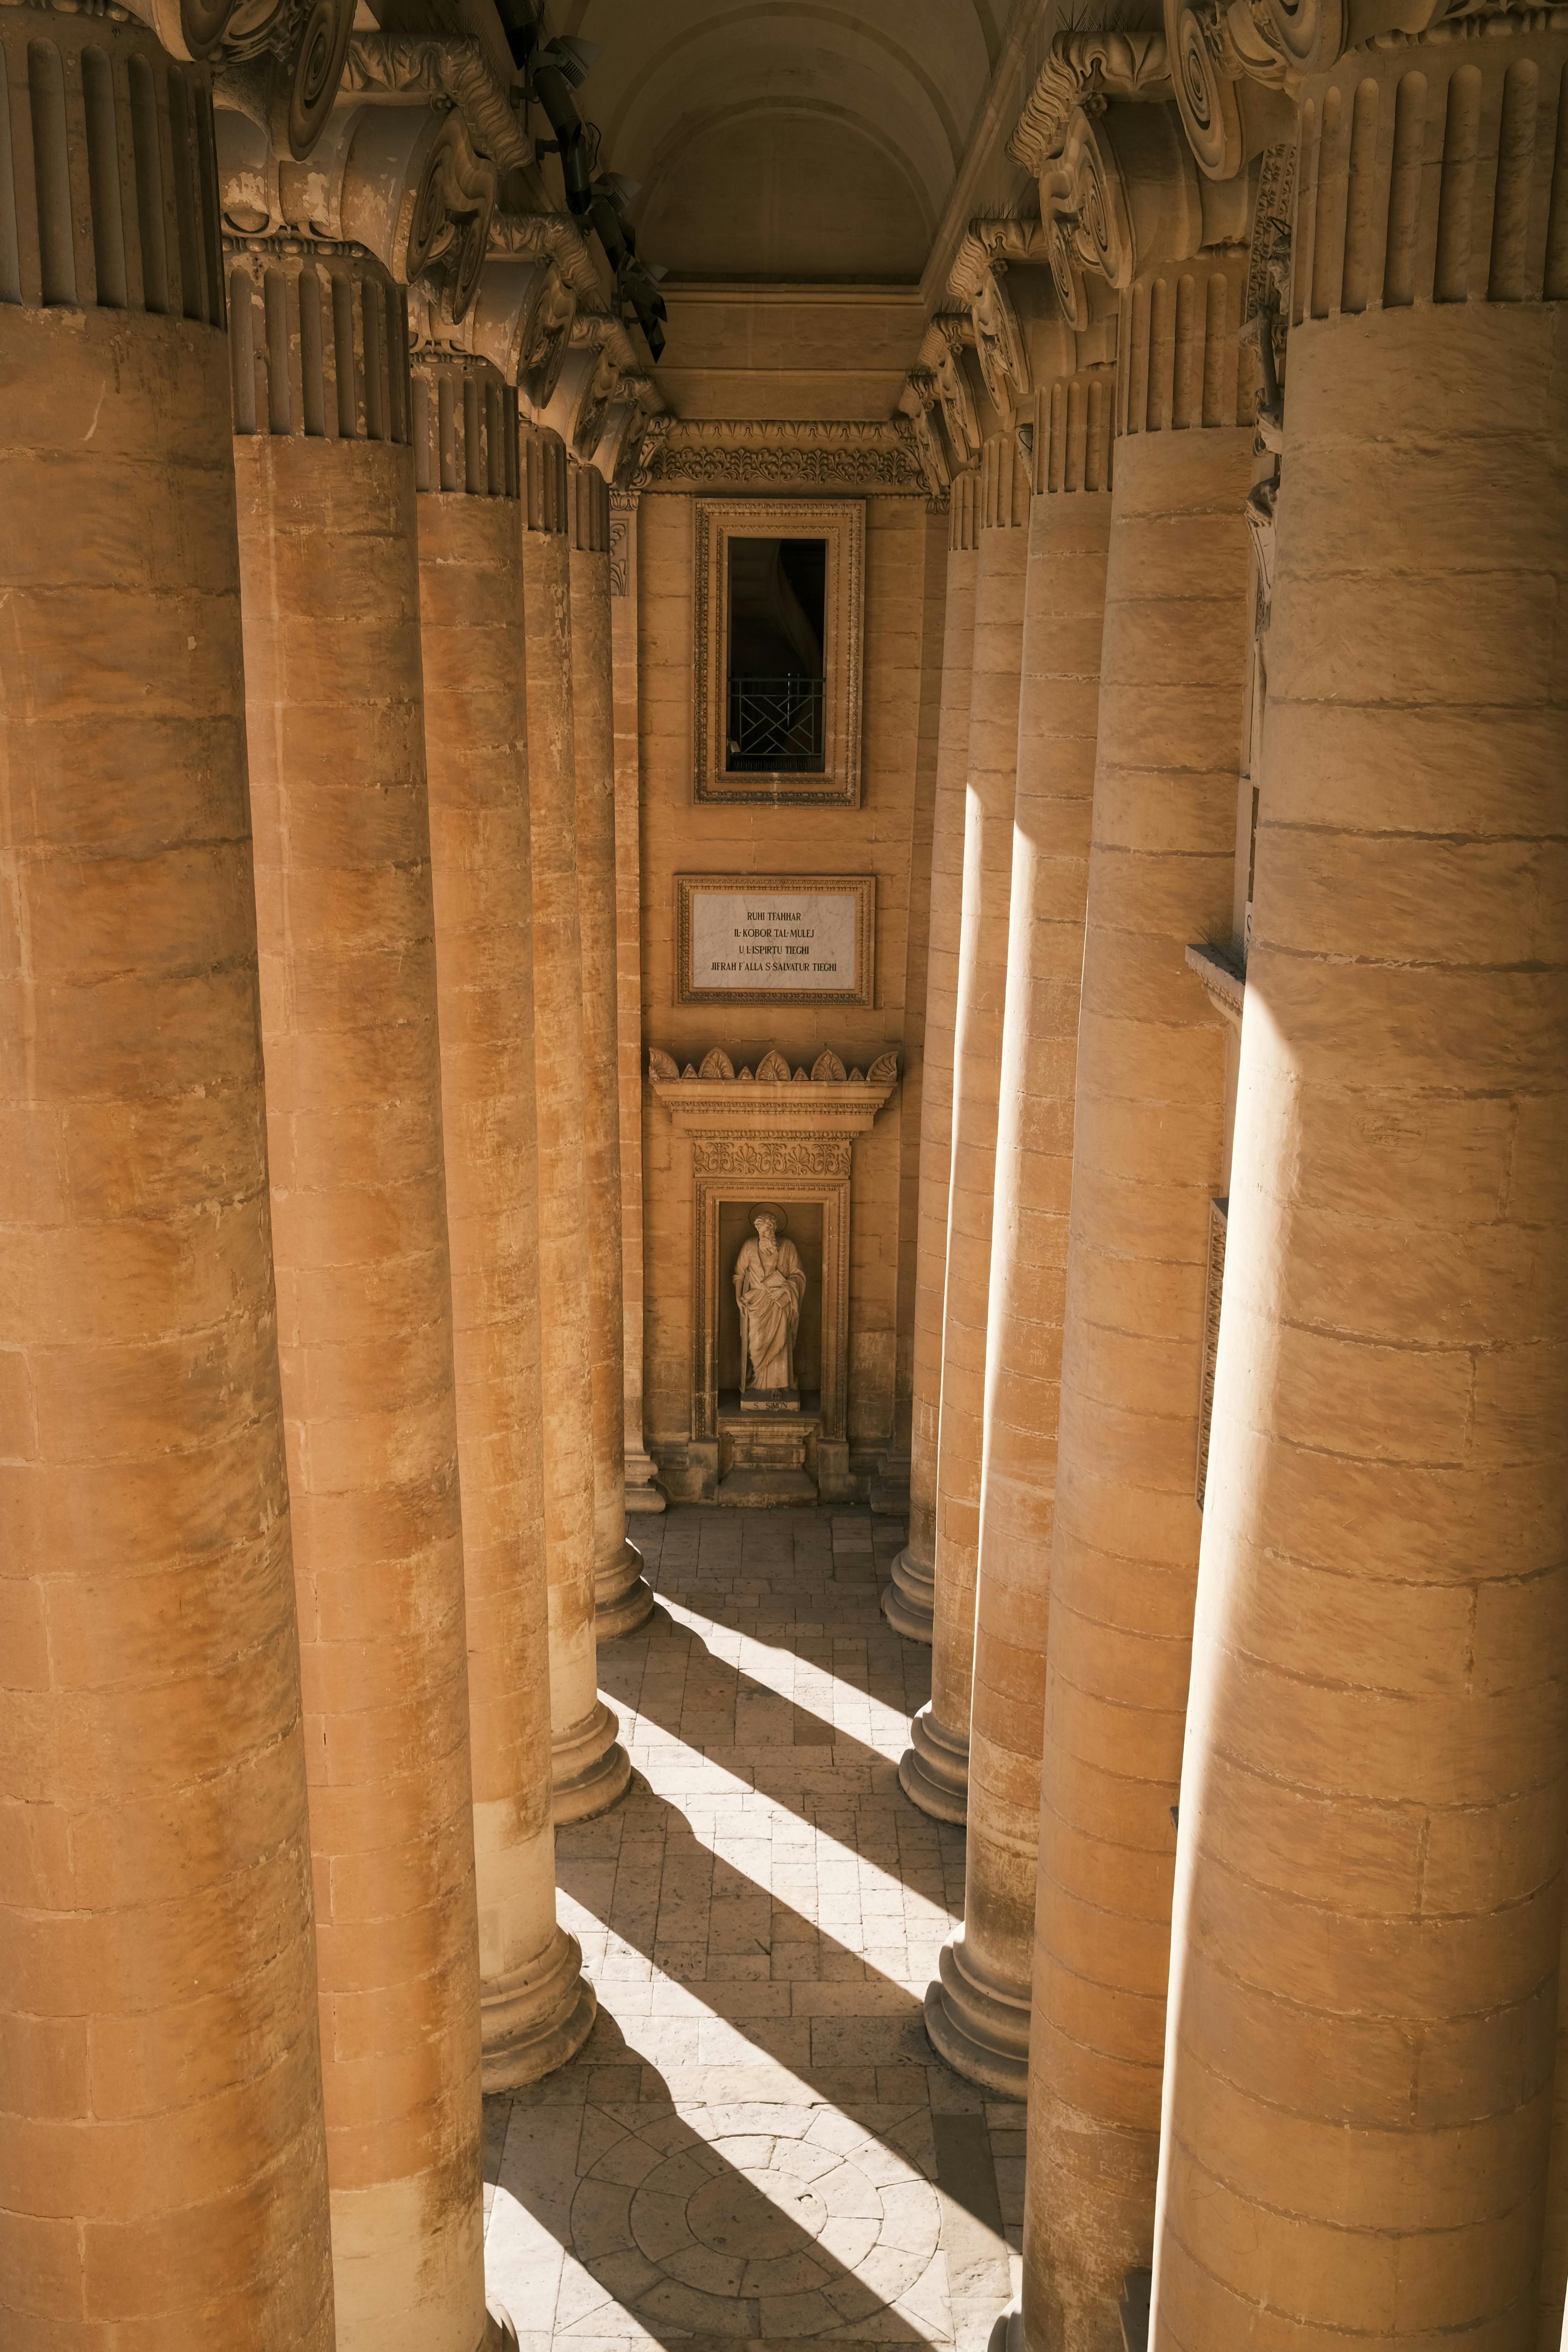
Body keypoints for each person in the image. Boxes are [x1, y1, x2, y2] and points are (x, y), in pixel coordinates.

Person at [733, 1205, 805, 1395]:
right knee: (756, 1345)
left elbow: (798, 1275)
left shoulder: (788, 1247)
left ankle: (777, 1385)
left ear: (774, 1228)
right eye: (762, 1230)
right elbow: (739, 1274)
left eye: (769, 1229)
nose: (765, 1233)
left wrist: (785, 1290)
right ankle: (757, 1381)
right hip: (755, 1302)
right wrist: (738, 1298)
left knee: (780, 1342)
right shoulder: (749, 1246)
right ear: (757, 1229)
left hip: (779, 1303)